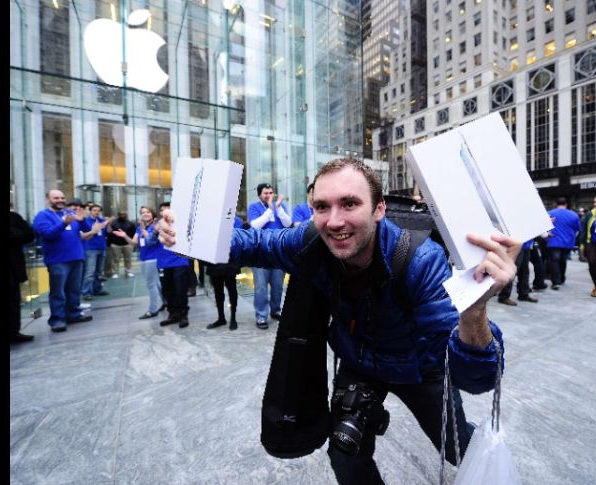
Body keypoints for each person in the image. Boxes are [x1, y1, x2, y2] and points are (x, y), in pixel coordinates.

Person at [156, 158, 519, 483]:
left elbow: (477, 379)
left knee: (458, 447)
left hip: (419, 366)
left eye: (349, 204)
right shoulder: (310, 240)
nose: (335, 221)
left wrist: (474, 312)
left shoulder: (420, 259)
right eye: (321, 206)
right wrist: (191, 235)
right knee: (345, 454)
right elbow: (253, 244)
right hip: (358, 362)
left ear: (379, 209)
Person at [32, 190, 94, 332]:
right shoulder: (42, 216)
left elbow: (86, 229)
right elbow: (48, 234)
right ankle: (57, 320)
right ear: (48, 199)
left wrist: (82, 219)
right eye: (56, 198)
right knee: (58, 292)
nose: (60, 200)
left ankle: (73, 314)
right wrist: (63, 223)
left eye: (62, 197)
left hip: (76, 258)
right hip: (57, 261)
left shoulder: (70, 213)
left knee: (74, 290)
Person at [248, 183, 292, 329]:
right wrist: (269, 211)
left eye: (271, 192)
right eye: (266, 193)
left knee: (278, 285)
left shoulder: (278, 206)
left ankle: (276, 310)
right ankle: (261, 316)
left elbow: (288, 223)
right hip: (260, 254)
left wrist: (278, 208)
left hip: (278, 253)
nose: (269, 195)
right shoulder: (254, 207)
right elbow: (255, 225)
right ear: (259, 194)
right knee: (261, 287)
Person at [111, 206, 165, 319]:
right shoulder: (139, 228)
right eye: (143, 212)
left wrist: (146, 231)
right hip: (143, 259)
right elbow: (133, 243)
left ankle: (153, 309)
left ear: (152, 213)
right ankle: (166, 302)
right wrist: (125, 236)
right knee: (156, 283)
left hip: (153, 258)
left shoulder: (156, 226)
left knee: (151, 284)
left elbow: (152, 241)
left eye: (148, 212)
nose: (145, 214)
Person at [205, 216, 244, 331]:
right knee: (218, 291)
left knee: (232, 290)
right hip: (214, 260)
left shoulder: (236, 220)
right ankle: (221, 317)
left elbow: (235, 237)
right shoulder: (211, 219)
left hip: (230, 260)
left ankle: (233, 318)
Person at [10, 204, 36, 343]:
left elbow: (29, 235)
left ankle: (14, 332)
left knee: (14, 301)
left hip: (14, 268)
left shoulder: (14, 217)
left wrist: (14, 233)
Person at [546, 197, 581, 290]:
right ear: (566, 204)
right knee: (563, 260)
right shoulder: (574, 215)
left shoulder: (549, 213)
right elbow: (578, 229)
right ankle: (561, 279)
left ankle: (556, 282)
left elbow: (543, 227)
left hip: (554, 241)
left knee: (554, 261)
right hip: (568, 242)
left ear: (556, 204)